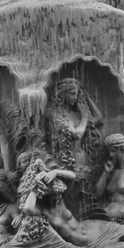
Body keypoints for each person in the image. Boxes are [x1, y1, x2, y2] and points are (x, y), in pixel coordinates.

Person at [45, 78, 104, 217]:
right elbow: (76, 134)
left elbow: (99, 119)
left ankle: (82, 220)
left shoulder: (77, 114)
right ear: (62, 93)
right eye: (72, 93)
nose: (75, 97)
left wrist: (87, 98)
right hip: (66, 161)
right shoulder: (55, 114)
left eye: (77, 94)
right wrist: (84, 118)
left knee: (84, 193)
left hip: (83, 159)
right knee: (70, 193)